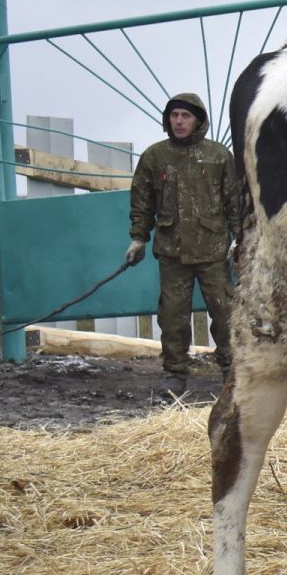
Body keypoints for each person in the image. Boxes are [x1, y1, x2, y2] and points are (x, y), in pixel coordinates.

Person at [126, 92, 239, 398]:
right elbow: (141, 201)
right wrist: (138, 237)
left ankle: (232, 373)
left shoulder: (218, 156)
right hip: (171, 252)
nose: (179, 121)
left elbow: (234, 200)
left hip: (213, 251)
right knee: (173, 317)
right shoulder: (154, 157)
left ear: (198, 119)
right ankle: (175, 376)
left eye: (185, 116)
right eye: (174, 115)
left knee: (226, 313)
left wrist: (240, 238)